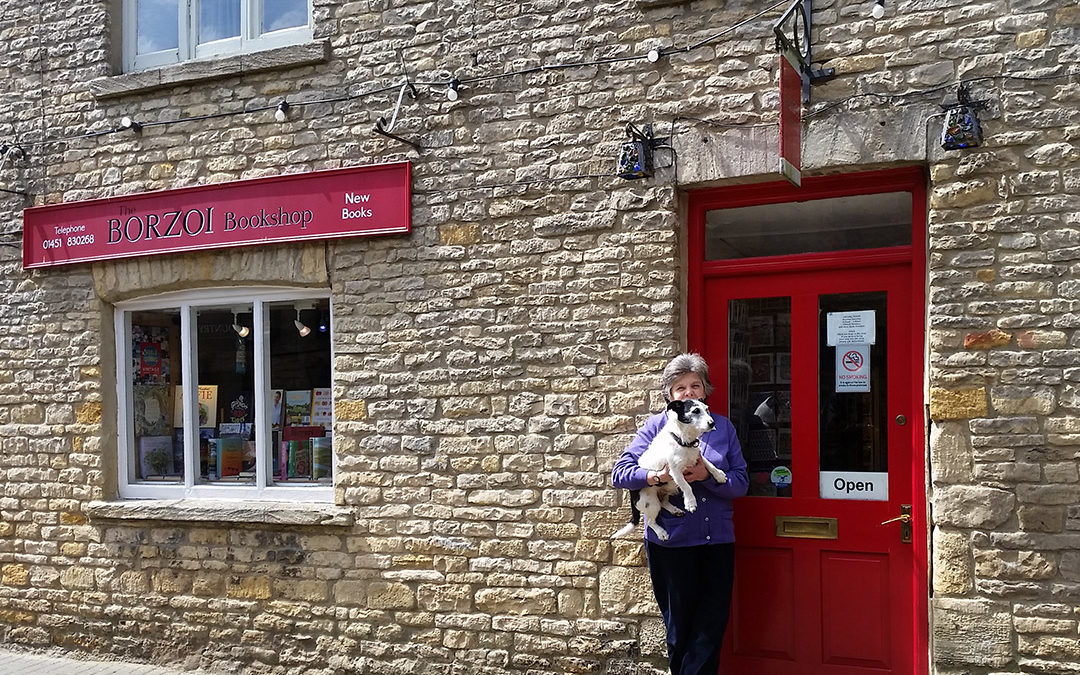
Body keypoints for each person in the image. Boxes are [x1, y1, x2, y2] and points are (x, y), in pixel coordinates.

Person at [611, 353, 749, 675]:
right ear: (670, 397)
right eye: (680, 388)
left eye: (695, 386)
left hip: (717, 543)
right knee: (679, 630)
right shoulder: (656, 428)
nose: (688, 392)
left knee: (711, 629)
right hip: (673, 543)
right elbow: (621, 473)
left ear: (705, 391)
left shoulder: (723, 428)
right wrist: (657, 477)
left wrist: (705, 477)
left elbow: (740, 483)